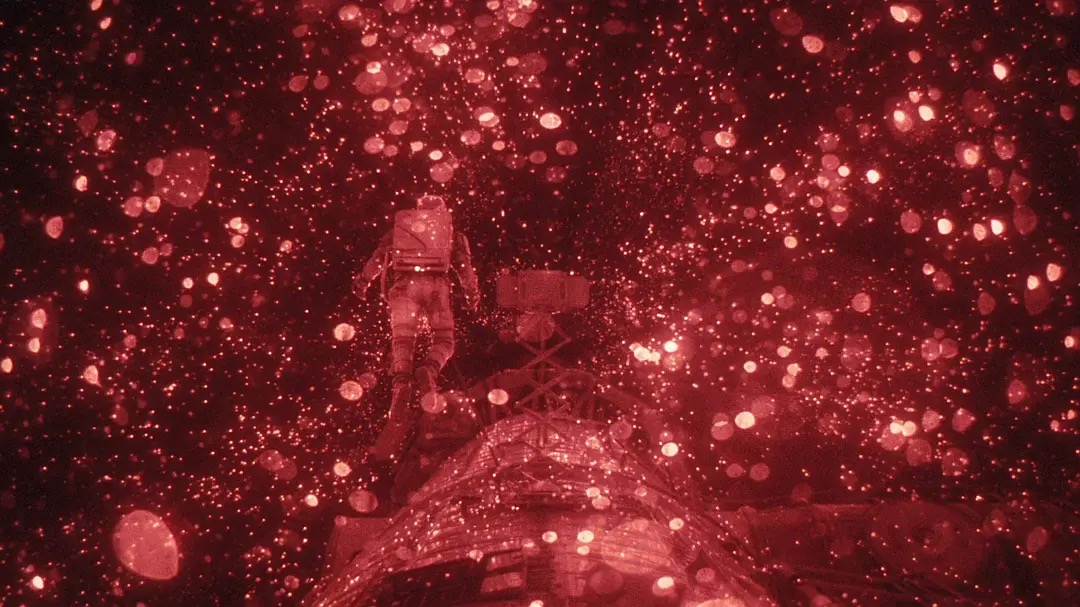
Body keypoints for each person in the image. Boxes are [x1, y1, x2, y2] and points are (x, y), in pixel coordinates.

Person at [354, 194, 480, 461]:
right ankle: (429, 369)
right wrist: (472, 296)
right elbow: (465, 269)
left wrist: (363, 282)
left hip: (403, 286)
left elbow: (378, 259)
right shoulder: (452, 235)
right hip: (437, 286)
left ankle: (401, 383)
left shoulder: (400, 232)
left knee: (402, 341)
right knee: (444, 340)